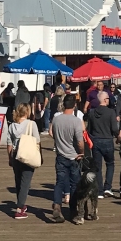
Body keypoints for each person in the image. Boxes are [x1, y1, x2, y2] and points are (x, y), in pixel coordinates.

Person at [49, 94, 84, 223]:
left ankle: (57, 205)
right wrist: (82, 152)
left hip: (60, 155)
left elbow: (51, 132)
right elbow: (80, 141)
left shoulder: (57, 119)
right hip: (74, 156)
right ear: (74, 105)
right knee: (75, 184)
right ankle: (73, 211)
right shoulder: (76, 121)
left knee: (60, 182)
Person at [6, 102, 40, 219]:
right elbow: (37, 141)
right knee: (26, 182)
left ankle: (21, 202)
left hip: (16, 155)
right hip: (28, 154)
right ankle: (19, 208)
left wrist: (10, 158)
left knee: (18, 181)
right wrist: (40, 155)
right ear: (27, 112)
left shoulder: (12, 126)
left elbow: (9, 144)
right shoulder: (32, 124)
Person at [85, 91, 119, 197]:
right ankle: (107, 187)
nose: (109, 100)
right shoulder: (111, 112)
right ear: (105, 100)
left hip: (96, 141)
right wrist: (119, 136)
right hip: (108, 140)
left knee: (97, 167)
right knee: (110, 164)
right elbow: (114, 129)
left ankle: (99, 190)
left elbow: (89, 129)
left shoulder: (91, 112)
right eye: (108, 98)